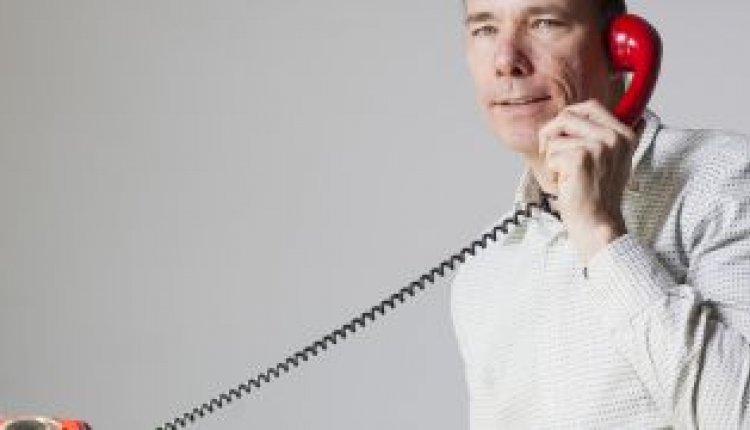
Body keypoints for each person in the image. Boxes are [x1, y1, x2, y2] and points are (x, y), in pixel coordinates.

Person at [450, 0, 750, 428]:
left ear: (621, 47)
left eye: (544, 23)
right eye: (485, 29)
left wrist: (600, 232)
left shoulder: (725, 180)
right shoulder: (482, 271)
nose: (505, 60)